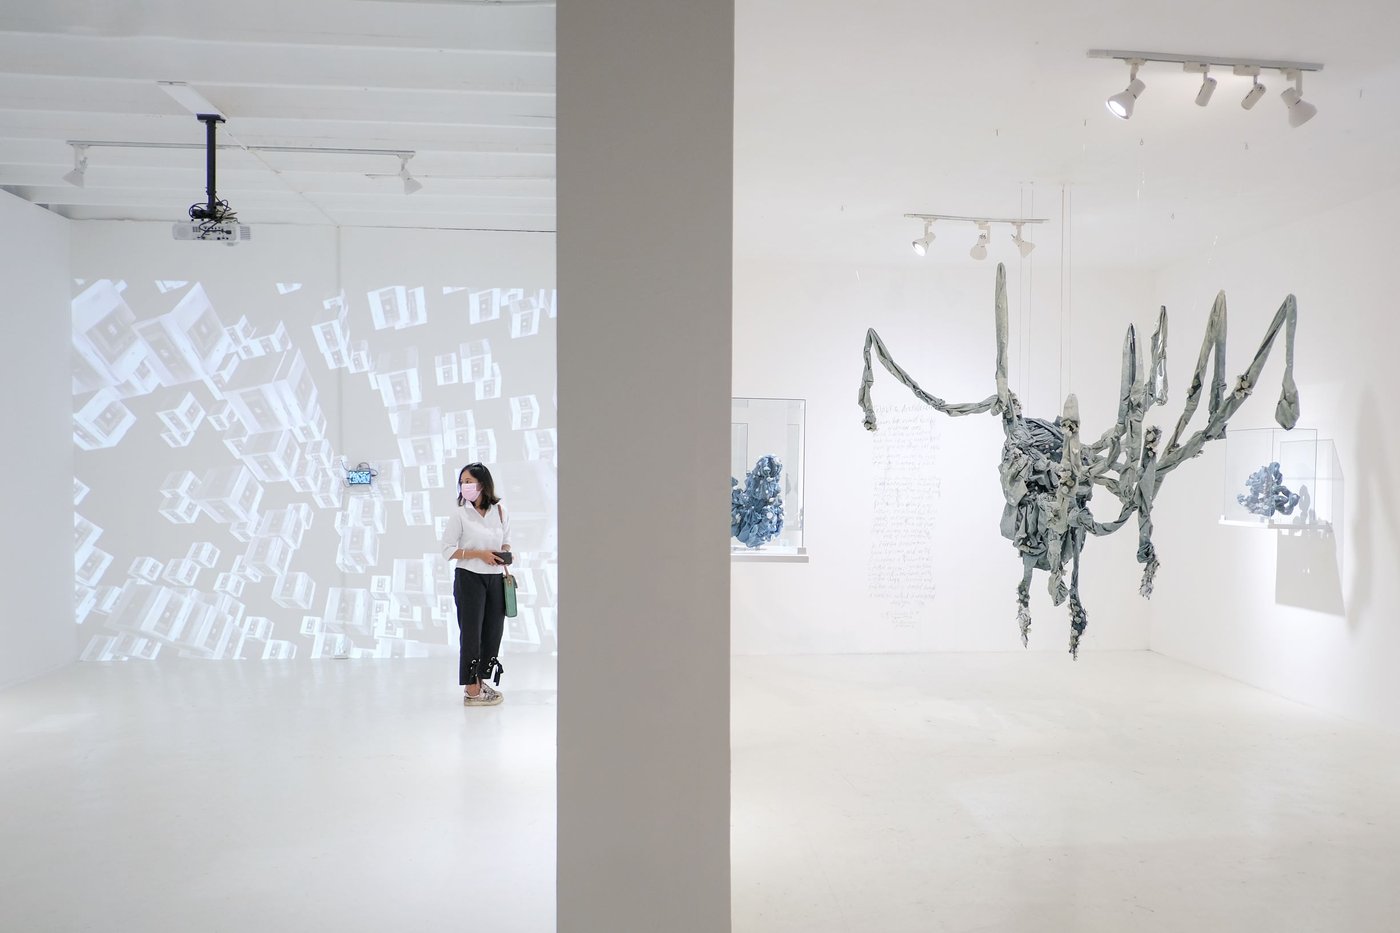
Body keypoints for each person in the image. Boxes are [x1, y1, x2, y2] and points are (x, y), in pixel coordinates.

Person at [441, 462, 511, 706]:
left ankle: (481, 681)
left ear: (483, 484)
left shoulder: (500, 512)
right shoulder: (460, 515)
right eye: (462, 481)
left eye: (469, 481)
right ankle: (472, 690)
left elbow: (507, 542)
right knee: (471, 633)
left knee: (493, 632)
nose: (465, 485)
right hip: (469, 578)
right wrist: (479, 554)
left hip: (495, 579)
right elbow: (447, 550)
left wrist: (504, 555)